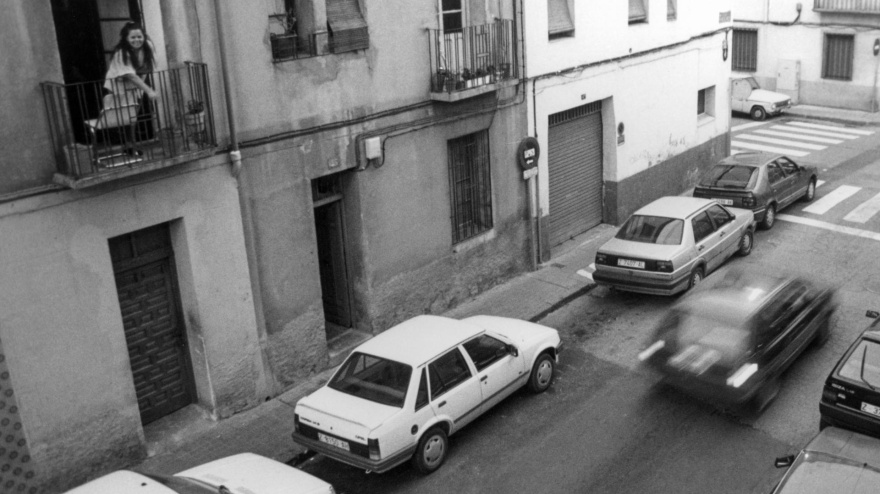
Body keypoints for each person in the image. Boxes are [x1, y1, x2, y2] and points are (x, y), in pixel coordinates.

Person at [102, 21, 157, 154]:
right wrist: (148, 90)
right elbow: (130, 75)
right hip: (118, 88)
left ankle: (130, 146)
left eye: (139, 37)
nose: (137, 40)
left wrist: (142, 88)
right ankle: (127, 145)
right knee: (122, 117)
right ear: (126, 39)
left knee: (132, 117)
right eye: (133, 37)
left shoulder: (148, 47)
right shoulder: (122, 53)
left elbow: (146, 68)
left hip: (135, 87)